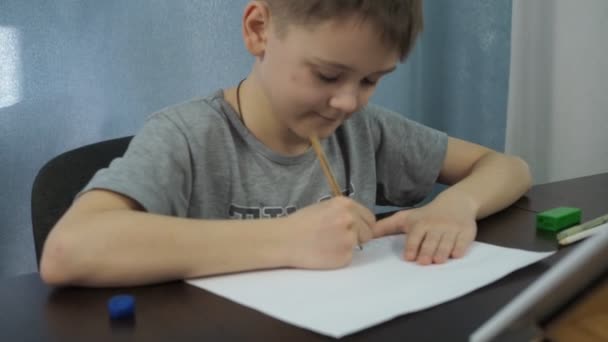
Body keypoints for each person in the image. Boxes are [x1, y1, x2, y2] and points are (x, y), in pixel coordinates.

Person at [40, 0, 532, 287]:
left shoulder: (362, 130)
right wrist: (286, 239)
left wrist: (456, 205)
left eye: (371, 80)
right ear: (259, 30)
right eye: (327, 74)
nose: (347, 102)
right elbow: (68, 251)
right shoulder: (187, 137)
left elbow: (507, 166)